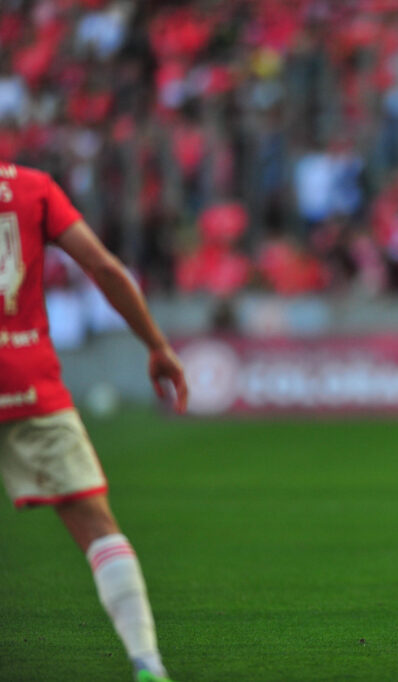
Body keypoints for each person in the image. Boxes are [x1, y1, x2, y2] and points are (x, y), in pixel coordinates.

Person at [0, 161, 188, 682]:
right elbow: (103, 267)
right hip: (26, 377)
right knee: (96, 526)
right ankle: (147, 661)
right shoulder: (30, 187)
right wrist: (157, 345)